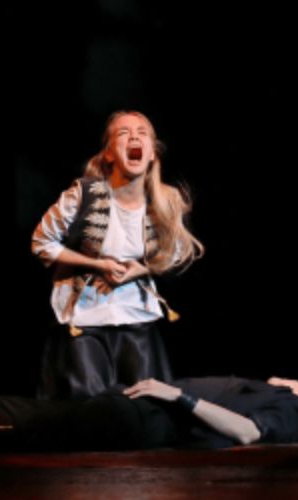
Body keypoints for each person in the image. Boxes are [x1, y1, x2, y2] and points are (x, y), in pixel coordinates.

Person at [31, 110, 204, 400]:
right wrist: (97, 264)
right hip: (85, 320)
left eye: (142, 133)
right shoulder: (83, 194)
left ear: (151, 153)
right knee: (90, 405)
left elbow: (175, 251)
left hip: (136, 318)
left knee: (144, 402)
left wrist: (141, 269)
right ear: (109, 153)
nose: (134, 136)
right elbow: (41, 242)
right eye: (124, 133)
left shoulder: (164, 200)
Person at [0, 376, 298, 452]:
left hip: (147, 420)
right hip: (137, 407)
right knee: (24, 412)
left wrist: (177, 396)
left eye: (293, 378)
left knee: (49, 427)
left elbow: (247, 432)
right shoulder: (280, 398)